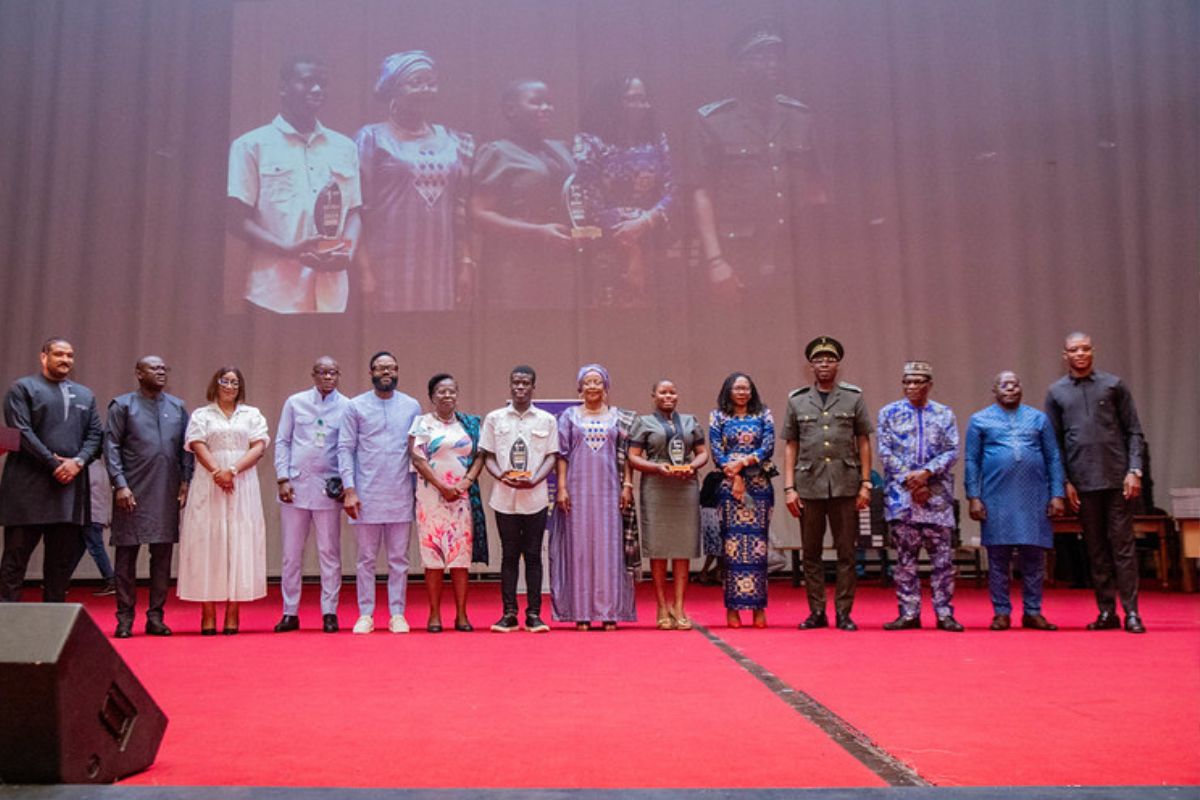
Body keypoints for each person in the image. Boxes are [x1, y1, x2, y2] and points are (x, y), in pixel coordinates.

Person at [689, 20, 826, 297]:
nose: (771, 63)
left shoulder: (799, 117)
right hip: (740, 254)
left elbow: (816, 188)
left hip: (794, 254)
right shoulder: (715, 121)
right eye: (761, 56)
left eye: (776, 56)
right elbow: (702, 193)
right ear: (739, 66)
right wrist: (715, 260)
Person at [227, 55, 362, 314]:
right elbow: (235, 219)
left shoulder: (345, 147)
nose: (316, 90)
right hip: (274, 295)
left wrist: (348, 254)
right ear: (283, 88)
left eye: (322, 84)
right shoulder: (251, 145)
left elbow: (354, 212)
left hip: (332, 295)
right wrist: (286, 250)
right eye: (307, 82)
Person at [356, 51, 475, 312]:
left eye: (431, 82)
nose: (425, 89)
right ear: (393, 90)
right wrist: (365, 271)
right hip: (386, 269)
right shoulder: (372, 138)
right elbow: (356, 212)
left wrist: (465, 261)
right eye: (416, 82)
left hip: (439, 271)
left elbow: (459, 210)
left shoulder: (456, 141)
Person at [1045, 332, 1147, 634]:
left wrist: (1135, 470)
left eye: (1085, 349)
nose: (1080, 354)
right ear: (1065, 355)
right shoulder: (1056, 392)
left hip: (1118, 479)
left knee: (1123, 547)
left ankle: (1132, 613)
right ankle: (1106, 611)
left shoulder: (1113, 385)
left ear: (1093, 351)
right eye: (1074, 350)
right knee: (1096, 549)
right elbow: (1054, 444)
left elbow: (1134, 432)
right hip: (1082, 481)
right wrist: (1064, 481)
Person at [0, 338, 103, 603]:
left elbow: (95, 436)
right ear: (43, 357)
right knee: (15, 561)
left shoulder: (85, 394)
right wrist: (53, 463)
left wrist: (77, 462)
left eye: (69, 355)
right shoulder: (22, 388)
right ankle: (6, 625)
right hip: (26, 489)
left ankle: (54, 623)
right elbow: (21, 431)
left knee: (59, 566)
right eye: (58, 354)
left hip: (67, 491)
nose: (65, 360)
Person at [782, 336, 873, 632]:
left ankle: (844, 612)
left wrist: (866, 483)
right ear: (810, 366)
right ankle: (817, 611)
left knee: (847, 552)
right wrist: (789, 487)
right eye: (819, 360)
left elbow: (863, 441)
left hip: (845, 485)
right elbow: (791, 446)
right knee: (811, 553)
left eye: (830, 360)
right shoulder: (797, 400)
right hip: (809, 486)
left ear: (837, 364)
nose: (824, 364)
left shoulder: (853, 397)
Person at [965, 371, 1065, 631]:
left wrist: (1057, 494)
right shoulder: (980, 421)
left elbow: (1053, 457)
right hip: (996, 498)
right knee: (998, 559)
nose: (1010, 388)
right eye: (1004, 384)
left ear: (1021, 388)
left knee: (1034, 557)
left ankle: (1033, 611)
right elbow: (971, 461)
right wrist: (973, 497)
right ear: (994, 390)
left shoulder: (1038, 419)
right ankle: (1001, 612)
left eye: (1015, 384)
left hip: (1034, 497)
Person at [104, 356, 193, 638]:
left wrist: (185, 481)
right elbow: (111, 446)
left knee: (162, 557)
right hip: (131, 490)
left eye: (163, 368)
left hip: (166, 490)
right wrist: (120, 484)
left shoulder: (177, 407)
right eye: (153, 368)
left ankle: (155, 616)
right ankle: (125, 618)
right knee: (126, 556)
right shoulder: (122, 405)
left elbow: (185, 449)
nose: (160, 372)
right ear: (138, 373)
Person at [177, 367, 269, 635]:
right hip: (209, 485)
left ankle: (233, 609)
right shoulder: (201, 415)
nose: (230, 386)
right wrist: (218, 472)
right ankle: (207, 610)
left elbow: (259, 446)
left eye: (235, 382)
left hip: (242, 485)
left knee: (239, 543)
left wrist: (234, 471)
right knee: (209, 544)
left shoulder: (252, 414)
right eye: (225, 381)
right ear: (215, 384)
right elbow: (196, 443)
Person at [471, 79, 576, 309]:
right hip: (515, 263)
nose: (546, 108)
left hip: (560, 262)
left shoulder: (561, 148)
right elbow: (479, 214)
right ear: (511, 109)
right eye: (537, 102)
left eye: (549, 103)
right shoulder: (497, 152)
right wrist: (537, 232)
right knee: (521, 332)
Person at [571, 74, 675, 305]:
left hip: (654, 240)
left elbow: (672, 191)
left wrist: (645, 222)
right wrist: (631, 247)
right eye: (632, 99)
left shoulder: (657, 140)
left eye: (644, 99)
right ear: (610, 102)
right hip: (606, 246)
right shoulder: (589, 142)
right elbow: (588, 199)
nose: (642, 106)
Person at [338, 351, 421, 634]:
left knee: (399, 559)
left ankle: (397, 613)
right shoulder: (355, 406)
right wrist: (349, 490)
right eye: (381, 368)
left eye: (392, 368)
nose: (387, 373)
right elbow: (345, 448)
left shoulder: (411, 406)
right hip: (366, 494)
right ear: (371, 371)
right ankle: (366, 613)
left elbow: (416, 452)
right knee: (365, 560)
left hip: (399, 493)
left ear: (398, 372)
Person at [877, 361, 963, 632]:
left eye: (918, 381)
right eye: (907, 382)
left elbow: (952, 451)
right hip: (902, 499)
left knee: (942, 561)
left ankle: (944, 613)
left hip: (937, 499)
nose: (912, 386)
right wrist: (912, 480)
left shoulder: (944, 414)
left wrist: (926, 473)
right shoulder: (888, 413)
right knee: (905, 561)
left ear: (930, 384)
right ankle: (909, 612)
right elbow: (885, 451)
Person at [551, 364, 637, 630]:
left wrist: (627, 485)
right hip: (577, 492)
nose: (592, 386)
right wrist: (562, 488)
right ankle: (581, 613)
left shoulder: (618, 417)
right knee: (578, 550)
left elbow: (627, 457)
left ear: (606, 386)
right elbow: (561, 455)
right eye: (587, 382)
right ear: (580, 387)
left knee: (609, 550)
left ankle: (609, 611)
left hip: (610, 492)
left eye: (597, 382)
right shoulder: (568, 417)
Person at [479, 366, 558, 633]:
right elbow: (487, 455)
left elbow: (551, 456)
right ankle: (509, 613)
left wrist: (536, 479)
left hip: (535, 497)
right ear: (509, 385)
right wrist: (501, 475)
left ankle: (534, 614)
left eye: (525, 383)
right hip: (504, 497)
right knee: (509, 555)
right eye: (515, 383)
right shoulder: (494, 418)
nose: (520, 387)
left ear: (534, 387)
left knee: (534, 555)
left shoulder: (546, 420)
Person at [273, 356, 348, 634]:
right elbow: (282, 441)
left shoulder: (347, 406)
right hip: (295, 486)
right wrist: (282, 477)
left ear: (339, 375)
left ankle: (329, 611)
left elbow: (349, 448)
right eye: (322, 372)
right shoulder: (295, 402)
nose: (328, 377)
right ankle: (290, 611)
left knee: (329, 552)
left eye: (332, 372)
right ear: (313, 374)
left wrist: (346, 484)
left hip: (328, 488)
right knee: (291, 554)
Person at [408, 373, 487, 632]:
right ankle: (434, 615)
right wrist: (442, 486)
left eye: (452, 391)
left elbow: (480, 455)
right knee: (433, 558)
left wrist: (465, 483)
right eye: (441, 391)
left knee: (460, 559)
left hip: (462, 499)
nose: (447, 395)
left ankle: (462, 615)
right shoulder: (422, 423)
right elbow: (417, 458)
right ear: (431, 396)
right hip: (431, 498)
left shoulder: (469, 423)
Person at [628, 379, 708, 629]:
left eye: (672, 392)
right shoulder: (643, 422)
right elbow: (632, 457)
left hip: (686, 486)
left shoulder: (690, 421)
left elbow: (702, 452)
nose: (668, 396)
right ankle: (662, 606)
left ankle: (680, 605)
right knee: (659, 548)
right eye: (663, 392)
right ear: (653, 395)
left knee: (683, 547)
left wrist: (692, 466)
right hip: (656, 486)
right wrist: (657, 467)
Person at [709, 372, 776, 628]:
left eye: (746, 388)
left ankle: (759, 607)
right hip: (729, 489)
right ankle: (733, 608)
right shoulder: (718, 416)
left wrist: (743, 463)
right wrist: (734, 474)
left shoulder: (763, 414)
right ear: (728, 391)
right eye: (737, 388)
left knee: (758, 549)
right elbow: (717, 451)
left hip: (759, 486)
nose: (742, 392)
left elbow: (767, 447)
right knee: (732, 550)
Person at [83, 460, 117, 597]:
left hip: (90, 514)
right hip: (99, 514)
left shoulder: (89, 470)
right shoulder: (103, 468)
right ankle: (62, 578)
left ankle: (111, 579)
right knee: (84, 547)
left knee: (96, 547)